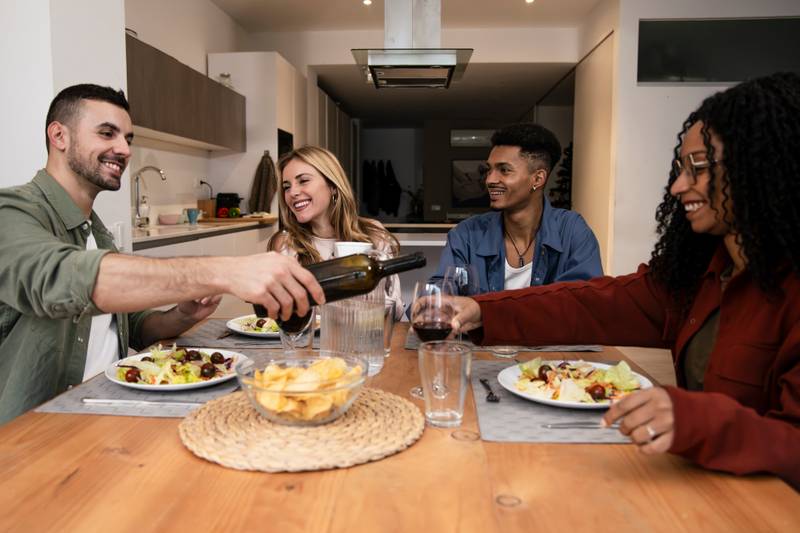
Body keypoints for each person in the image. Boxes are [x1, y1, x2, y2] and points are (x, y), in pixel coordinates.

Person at [448, 72, 800, 487]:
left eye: (698, 168)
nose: (677, 185)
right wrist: (480, 308)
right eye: (680, 168)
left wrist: (695, 418)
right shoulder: (699, 273)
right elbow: (590, 302)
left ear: (765, 166)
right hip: (703, 487)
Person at [0, 84, 324, 424]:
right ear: (59, 135)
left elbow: (136, 327)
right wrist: (224, 271)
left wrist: (182, 315)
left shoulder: (95, 231)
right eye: (107, 133)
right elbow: (60, 277)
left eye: (128, 139)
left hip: (111, 409)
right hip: (40, 431)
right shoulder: (12, 213)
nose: (123, 149)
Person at [432, 123, 603, 293]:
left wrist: (483, 310)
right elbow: (440, 291)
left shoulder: (572, 232)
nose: (490, 180)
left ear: (537, 179)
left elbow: (585, 302)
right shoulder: (466, 235)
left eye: (504, 170)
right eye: (489, 170)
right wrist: (429, 303)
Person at [269, 145, 403, 317]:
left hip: (368, 338)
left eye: (303, 181)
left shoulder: (374, 235)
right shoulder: (286, 244)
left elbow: (396, 311)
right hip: (309, 342)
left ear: (332, 185)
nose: (292, 192)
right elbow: (282, 313)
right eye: (286, 186)